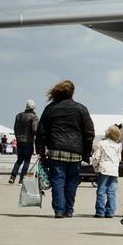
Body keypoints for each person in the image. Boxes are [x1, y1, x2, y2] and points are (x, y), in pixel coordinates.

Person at [35, 80, 95, 219]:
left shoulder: (50, 108)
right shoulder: (81, 109)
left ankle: (59, 210)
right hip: (75, 152)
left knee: (57, 180)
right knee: (72, 181)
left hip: (56, 150)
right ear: (72, 92)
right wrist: (86, 153)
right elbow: (89, 133)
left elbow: (41, 131)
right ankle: (69, 210)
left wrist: (40, 150)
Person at [90, 124, 123, 219]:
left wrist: (95, 167)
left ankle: (100, 212)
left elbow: (96, 157)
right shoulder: (118, 146)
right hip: (114, 170)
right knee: (111, 191)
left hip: (104, 169)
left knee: (101, 190)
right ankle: (110, 212)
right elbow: (119, 158)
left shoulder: (102, 143)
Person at [9, 100, 38, 183]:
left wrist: (18, 137)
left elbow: (15, 128)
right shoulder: (34, 117)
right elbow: (34, 130)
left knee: (19, 160)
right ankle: (21, 179)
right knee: (27, 161)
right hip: (28, 141)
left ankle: (12, 176)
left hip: (19, 141)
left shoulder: (18, 116)